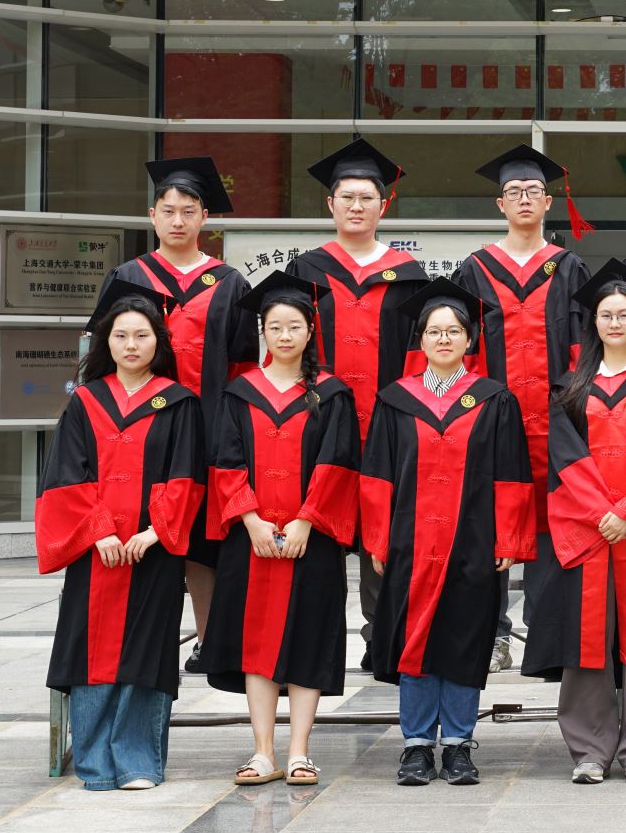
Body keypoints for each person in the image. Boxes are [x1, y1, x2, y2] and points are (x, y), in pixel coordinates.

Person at [524, 261, 626, 786]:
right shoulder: (571, 387)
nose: (615, 323)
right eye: (606, 315)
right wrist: (604, 514)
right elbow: (566, 458)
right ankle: (589, 749)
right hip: (587, 529)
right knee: (586, 636)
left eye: (625, 314)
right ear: (592, 323)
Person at [360, 278, 533, 788]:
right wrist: (377, 538)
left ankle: (457, 744)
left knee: (464, 637)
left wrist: (508, 538)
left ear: (469, 339)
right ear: (420, 339)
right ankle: (416, 745)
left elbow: (511, 474)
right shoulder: (396, 400)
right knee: (414, 638)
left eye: (453, 331)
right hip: (410, 543)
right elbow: (377, 476)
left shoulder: (494, 399)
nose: (443, 339)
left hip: (472, 543)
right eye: (434, 331)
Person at [39, 280, 205, 790]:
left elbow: (187, 474)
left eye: (141, 335)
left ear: (159, 341)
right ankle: (94, 762)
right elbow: (64, 476)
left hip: (152, 551)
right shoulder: (86, 402)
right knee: (90, 650)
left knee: (146, 652)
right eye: (120, 336)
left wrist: (155, 533)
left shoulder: (178, 402)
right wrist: (99, 532)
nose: (131, 345)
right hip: (96, 553)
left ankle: (137, 762)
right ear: (105, 343)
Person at [202, 272, 361, 788]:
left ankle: (299, 753)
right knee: (256, 640)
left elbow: (338, 464)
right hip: (250, 540)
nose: (285, 335)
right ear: (262, 332)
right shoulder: (239, 393)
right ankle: (263, 752)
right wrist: (249, 519)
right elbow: (226, 461)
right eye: (275, 327)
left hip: (310, 539)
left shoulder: (331, 394)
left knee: (308, 637)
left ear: (311, 331)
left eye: (295, 326)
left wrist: (306, 520)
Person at [103, 156, 254, 675]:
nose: (177, 221)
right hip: (140, 430)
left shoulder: (228, 283)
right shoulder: (129, 277)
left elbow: (242, 366)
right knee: (140, 531)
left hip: (209, 429)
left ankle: (210, 642)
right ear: (152, 215)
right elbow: (103, 355)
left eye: (189, 211)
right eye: (168, 211)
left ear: (204, 218)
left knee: (204, 541)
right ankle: (138, 642)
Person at [286, 136, 428, 673]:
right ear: (330, 204)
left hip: (387, 424)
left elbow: (419, 353)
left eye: (367, 197)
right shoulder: (306, 270)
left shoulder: (408, 274)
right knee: (317, 524)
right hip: (316, 423)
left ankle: (379, 635)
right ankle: (313, 642)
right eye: (346, 197)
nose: (356, 206)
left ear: (382, 206)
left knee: (381, 532)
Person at [455, 142, 592, 672]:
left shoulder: (569, 268)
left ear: (548, 202)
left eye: (534, 190)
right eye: (514, 192)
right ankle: (492, 634)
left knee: (553, 524)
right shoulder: (476, 270)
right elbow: (462, 349)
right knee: (490, 521)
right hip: (493, 421)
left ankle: (545, 632)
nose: (525, 199)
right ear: (500, 204)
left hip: (558, 421)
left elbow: (583, 347)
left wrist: (577, 410)